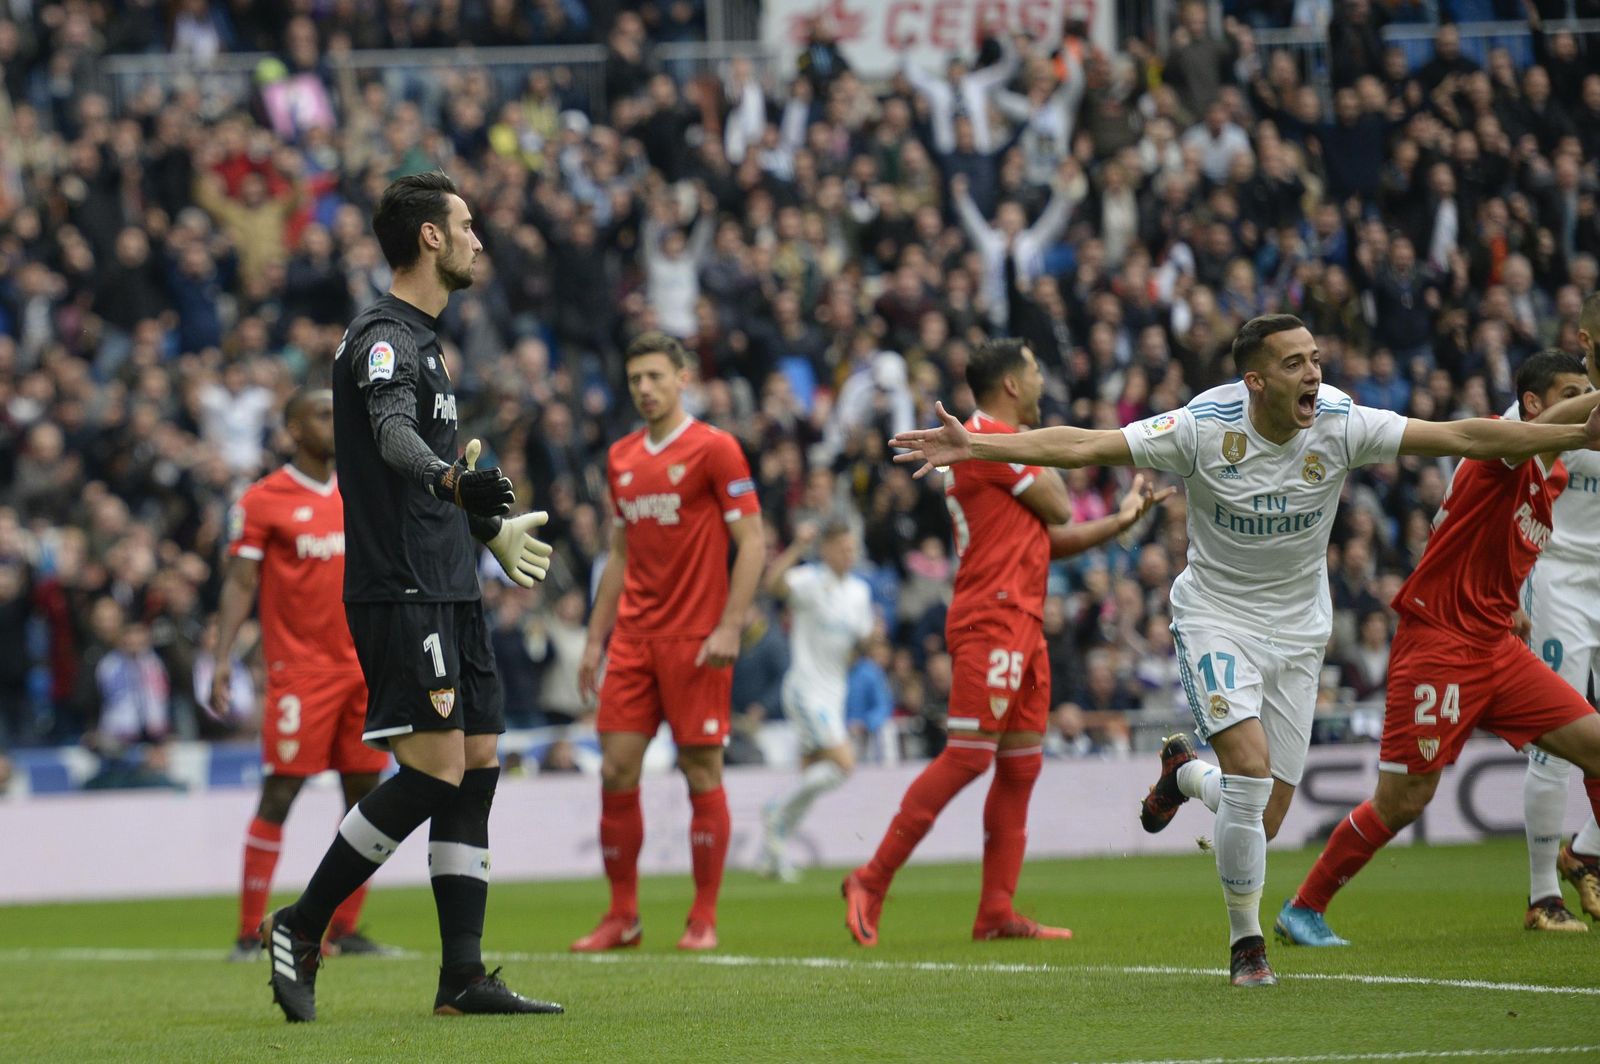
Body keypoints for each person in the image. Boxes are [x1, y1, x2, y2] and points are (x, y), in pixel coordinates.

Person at [887, 315, 1600, 986]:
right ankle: (1246, 944)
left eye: (1316, 359)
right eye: (1295, 363)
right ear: (1255, 381)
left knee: (1262, 814)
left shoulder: (1341, 422)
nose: (1313, 374)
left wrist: (1573, 426)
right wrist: (978, 444)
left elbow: (1466, 437)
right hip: (1216, 617)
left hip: (1299, 630)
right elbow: (1084, 444)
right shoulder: (1202, 426)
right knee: (1252, 770)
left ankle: (1184, 776)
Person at [260, 171, 560, 1022]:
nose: (476, 239)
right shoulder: (383, 338)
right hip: (402, 587)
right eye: (465, 225)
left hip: (450, 581)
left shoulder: (429, 341)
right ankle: (302, 924)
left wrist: (482, 527)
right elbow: (394, 436)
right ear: (430, 237)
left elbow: (431, 462)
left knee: (478, 768)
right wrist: (449, 481)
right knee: (430, 772)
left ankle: (461, 978)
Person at [843, 338, 1170, 947]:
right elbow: (1058, 502)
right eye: (1037, 369)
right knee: (967, 756)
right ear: (1014, 384)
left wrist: (1123, 522)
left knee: (1020, 768)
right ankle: (870, 878)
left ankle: (996, 909)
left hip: (1022, 619)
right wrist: (1047, 461)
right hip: (991, 618)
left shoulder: (998, 444)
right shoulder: (983, 437)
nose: (1044, 380)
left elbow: (1051, 537)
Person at [1276, 351, 1600, 945]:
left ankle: (1586, 862)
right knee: (1404, 799)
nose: (1583, 401)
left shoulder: (1549, 477)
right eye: (1570, 391)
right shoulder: (1502, 446)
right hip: (1440, 645)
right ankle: (1304, 907)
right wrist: (1593, 404)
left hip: (1497, 647)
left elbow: (1485, 545)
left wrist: (1510, 606)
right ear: (1533, 405)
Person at [571, 330, 765, 953]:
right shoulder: (623, 457)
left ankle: (702, 918)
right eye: (635, 380)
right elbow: (619, 555)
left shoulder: (716, 449)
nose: (645, 389)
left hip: (697, 638)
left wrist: (731, 624)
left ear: (683, 378)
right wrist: (595, 641)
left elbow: (754, 540)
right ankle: (622, 916)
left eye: (655, 376)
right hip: (634, 637)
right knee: (615, 769)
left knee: (699, 769)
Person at [212, 388, 395, 962]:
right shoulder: (264, 500)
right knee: (281, 791)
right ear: (292, 429)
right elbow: (241, 582)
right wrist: (220, 659)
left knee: (367, 797)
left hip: (366, 669)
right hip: (300, 674)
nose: (335, 422)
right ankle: (248, 932)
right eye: (321, 414)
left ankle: (345, 927)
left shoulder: (367, 491)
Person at [1519, 296, 1600, 930]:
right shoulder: (1561, 404)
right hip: (1558, 580)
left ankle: (1587, 852)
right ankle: (1544, 894)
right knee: (1554, 743)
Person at [758, 520, 875, 882]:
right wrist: (795, 546)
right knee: (843, 764)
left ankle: (773, 855)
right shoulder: (809, 580)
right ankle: (774, 810)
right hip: (805, 690)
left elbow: (861, 643)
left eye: (852, 548)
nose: (849, 554)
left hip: (833, 693)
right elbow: (772, 584)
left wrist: (869, 642)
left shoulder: (859, 592)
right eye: (842, 547)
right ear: (826, 550)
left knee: (812, 778)